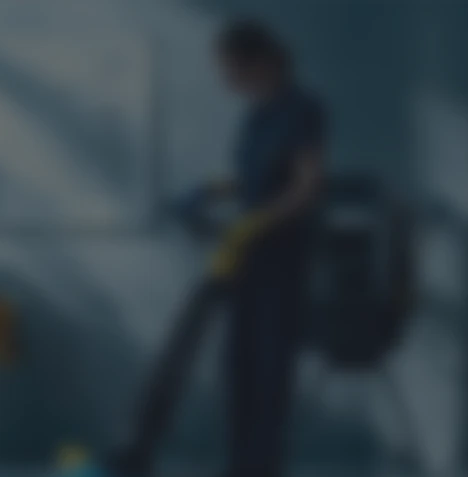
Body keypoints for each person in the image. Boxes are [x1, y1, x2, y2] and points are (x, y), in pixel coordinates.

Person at [206, 19, 327, 477]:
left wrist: (255, 223)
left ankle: (261, 470)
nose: (226, 81)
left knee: (269, 372)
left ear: (258, 63)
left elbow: (307, 186)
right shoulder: (255, 114)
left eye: (231, 71)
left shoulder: (302, 109)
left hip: (281, 261)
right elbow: (253, 178)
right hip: (245, 261)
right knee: (237, 370)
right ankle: (238, 468)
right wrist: (217, 189)